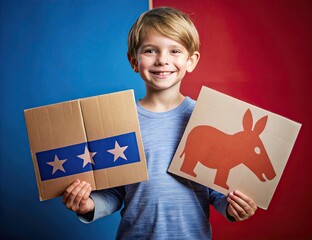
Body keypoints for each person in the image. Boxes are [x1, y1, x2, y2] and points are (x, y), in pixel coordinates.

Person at [62, 7, 257, 239]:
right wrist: (89, 204)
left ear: (191, 60)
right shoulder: (119, 121)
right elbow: (115, 191)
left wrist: (233, 206)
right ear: (134, 61)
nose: (162, 60)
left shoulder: (207, 118)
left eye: (175, 51)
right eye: (150, 50)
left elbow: (215, 188)